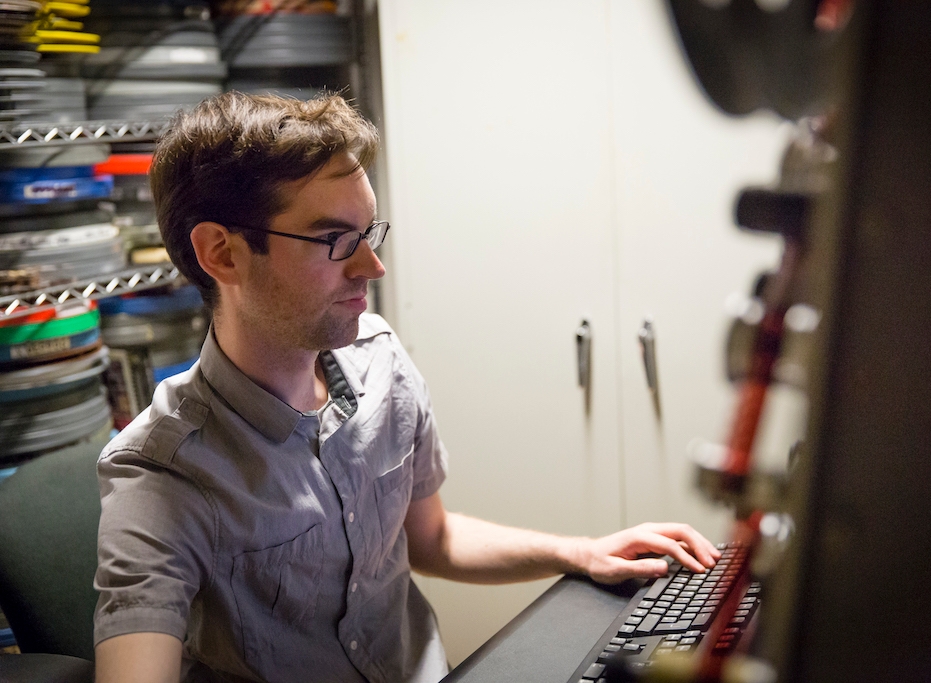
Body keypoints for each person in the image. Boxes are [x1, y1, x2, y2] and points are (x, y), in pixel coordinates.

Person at [93, 92, 721, 683]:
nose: (372, 266)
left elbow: (432, 540)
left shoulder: (378, 362)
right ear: (223, 255)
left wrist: (580, 552)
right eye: (335, 241)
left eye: (369, 233)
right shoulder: (161, 476)